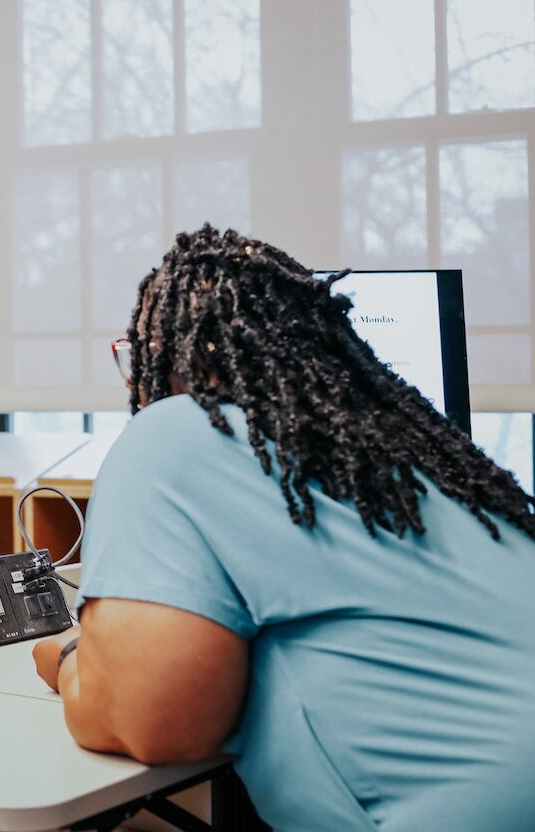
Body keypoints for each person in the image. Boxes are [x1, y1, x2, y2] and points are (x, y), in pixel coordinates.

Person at [33, 225, 535, 832]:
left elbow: (153, 723)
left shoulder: (177, 433)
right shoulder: (432, 460)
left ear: (174, 358)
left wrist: (65, 658)